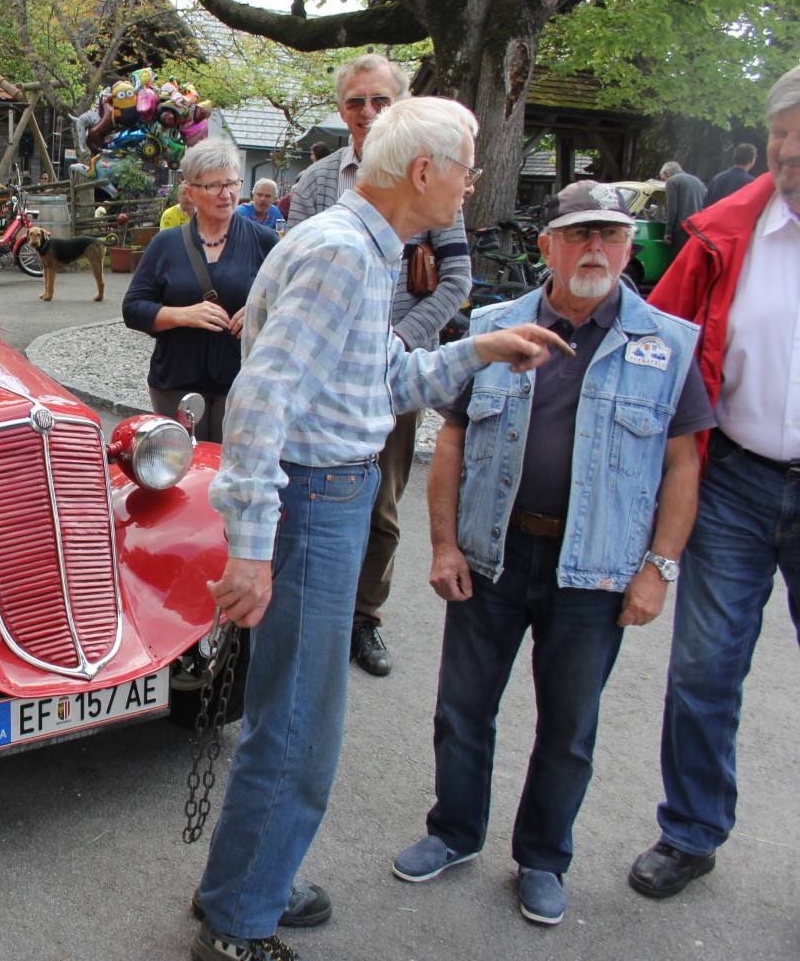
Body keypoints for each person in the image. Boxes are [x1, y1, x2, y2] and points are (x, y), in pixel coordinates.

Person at [191, 98, 567, 961]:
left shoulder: (360, 247)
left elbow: (386, 380)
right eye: (467, 167)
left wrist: (482, 347)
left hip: (332, 498)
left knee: (293, 718)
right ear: (426, 173)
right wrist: (250, 549)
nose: (472, 184)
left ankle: (245, 887)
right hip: (317, 503)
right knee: (297, 728)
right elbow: (259, 399)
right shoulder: (342, 255)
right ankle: (240, 924)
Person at [392, 179, 711, 926]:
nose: (595, 248)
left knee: (568, 730)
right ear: (548, 246)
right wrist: (442, 545)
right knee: (462, 710)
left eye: (610, 235)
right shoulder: (494, 326)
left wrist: (658, 570)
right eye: (579, 234)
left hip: (595, 572)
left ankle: (542, 857)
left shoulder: (665, 345)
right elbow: (453, 442)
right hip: (493, 556)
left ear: (630, 247)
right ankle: (454, 832)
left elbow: (683, 466)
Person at [628, 62, 800, 900]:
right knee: (704, 667)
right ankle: (692, 831)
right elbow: (657, 334)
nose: (792, 151)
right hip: (735, 478)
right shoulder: (725, 229)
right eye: (783, 133)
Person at [286, 53, 471, 677]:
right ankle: (313, 609)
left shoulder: (434, 182)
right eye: (355, 102)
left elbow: (456, 279)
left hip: (395, 369)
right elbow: (294, 277)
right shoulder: (317, 184)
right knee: (315, 489)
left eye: (380, 101)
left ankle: (363, 617)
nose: (367, 113)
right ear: (341, 110)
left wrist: (392, 339)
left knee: (381, 505)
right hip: (325, 375)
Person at [123, 139, 279, 442]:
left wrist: (263, 310)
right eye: (214, 186)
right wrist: (183, 315)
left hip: (241, 381)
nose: (227, 194)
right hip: (175, 382)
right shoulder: (165, 244)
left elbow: (294, 304)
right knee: (180, 473)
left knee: (228, 475)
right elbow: (133, 309)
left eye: (232, 183)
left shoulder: (265, 242)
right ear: (190, 191)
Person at [660, 160, 707, 255]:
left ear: (666, 173)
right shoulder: (698, 182)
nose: (665, 181)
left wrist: (668, 232)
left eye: (664, 179)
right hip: (698, 231)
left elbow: (672, 209)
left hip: (681, 231)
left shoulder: (672, 181)